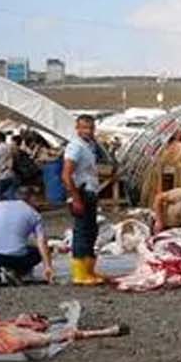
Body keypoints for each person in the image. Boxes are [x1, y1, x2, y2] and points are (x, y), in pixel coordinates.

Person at [0, 186, 53, 285]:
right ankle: (17, 271)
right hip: (15, 258)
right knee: (36, 252)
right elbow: (42, 243)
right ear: (32, 198)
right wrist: (47, 266)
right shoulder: (34, 214)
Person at [61, 115, 106, 287]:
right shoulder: (75, 147)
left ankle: (89, 269)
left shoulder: (90, 145)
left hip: (91, 190)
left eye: (91, 128)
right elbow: (66, 174)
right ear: (77, 129)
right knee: (81, 231)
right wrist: (76, 198)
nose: (88, 132)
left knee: (91, 230)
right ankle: (79, 272)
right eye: (84, 128)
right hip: (81, 191)